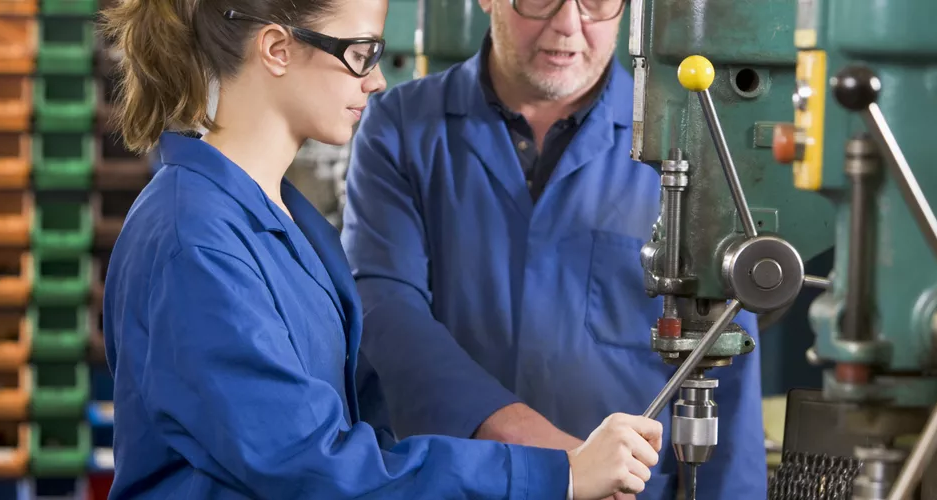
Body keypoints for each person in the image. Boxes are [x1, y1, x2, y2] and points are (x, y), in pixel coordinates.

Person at [97, 0, 665, 498]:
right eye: (360, 54)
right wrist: (557, 476)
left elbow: (359, 437)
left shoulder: (288, 223)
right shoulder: (195, 241)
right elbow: (311, 466)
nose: (373, 81)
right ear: (277, 49)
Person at [341, 0, 768, 498]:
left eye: (596, 2)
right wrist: (554, 459)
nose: (568, 25)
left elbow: (727, 355)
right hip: (454, 483)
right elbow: (385, 308)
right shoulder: (401, 125)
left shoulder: (692, 143)